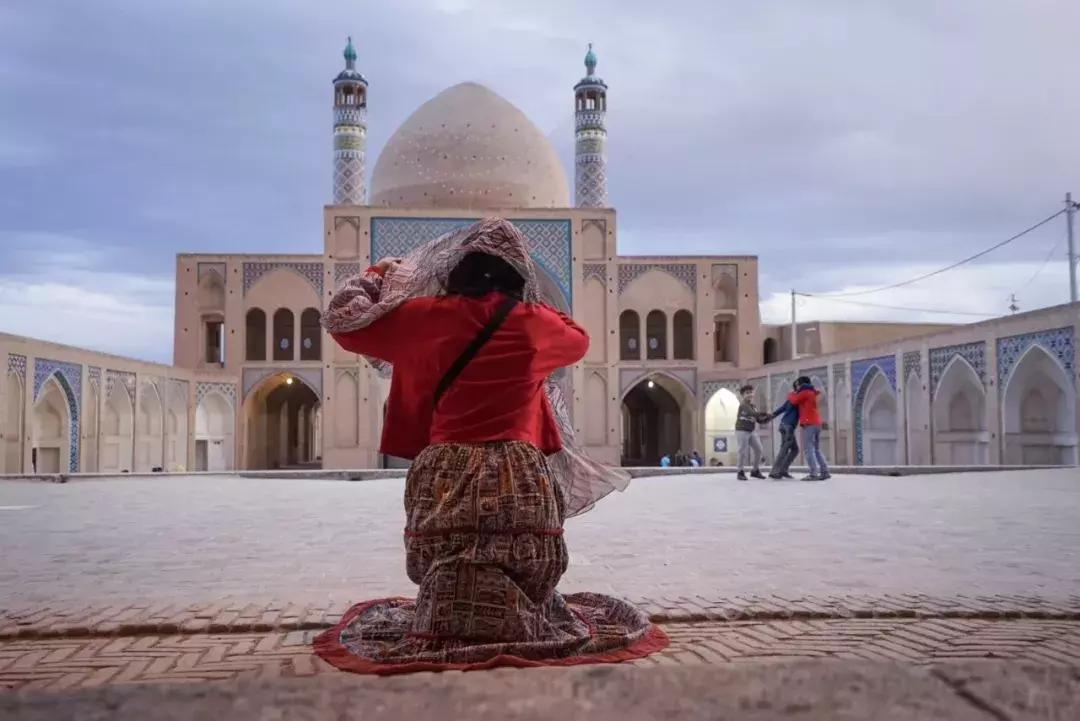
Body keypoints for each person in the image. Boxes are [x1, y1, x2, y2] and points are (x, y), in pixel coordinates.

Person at [315, 218, 666, 674]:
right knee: (521, 554)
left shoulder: (422, 318)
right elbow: (578, 340)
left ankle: (453, 611)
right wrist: (529, 305)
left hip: (446, 470)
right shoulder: (534, 323)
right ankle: (510, 614)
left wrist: (379, 275)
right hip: (517, 471)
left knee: (446, 550)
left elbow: (344, 319)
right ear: (520, 274)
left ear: (453, 270)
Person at [789, 376, 831, 481]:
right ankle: (825, 471)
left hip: (809, 423)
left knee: (808, 449)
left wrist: (791, 393)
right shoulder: (812, 392)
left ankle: (813, 473)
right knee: (816, 449)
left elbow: (794, 400)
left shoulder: (805, 392)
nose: (796, 387)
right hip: (817, 423)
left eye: (797, 385)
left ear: (801, 384)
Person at [767, 381, 801, 480]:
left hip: (784, 425)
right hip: (788, 427)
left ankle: (783, 470)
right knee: (785, 449)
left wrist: (771, 416)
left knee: (794, 449)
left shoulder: (792, 397)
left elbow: (781, 409)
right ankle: (775, 471)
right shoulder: (798, 398)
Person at [734, 384, 767, 481]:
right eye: (747, 393)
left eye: (751, 392)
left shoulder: (753, 406)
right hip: (741, 430)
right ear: (743, 395)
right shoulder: (743, 405)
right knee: (742, 451)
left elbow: (757, 419)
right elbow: (752, 413)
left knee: (759, 449)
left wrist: (766, 419)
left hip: (751, 431)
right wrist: (764, 413)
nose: (749, 395)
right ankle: (740, 472)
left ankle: (755, 470)